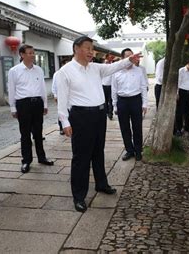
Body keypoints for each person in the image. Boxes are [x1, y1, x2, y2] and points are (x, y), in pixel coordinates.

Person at [56, 36, 141, 213]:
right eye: (87, 48)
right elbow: (62, 100)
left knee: (98, 152)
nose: (91, 52)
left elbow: (114, 66)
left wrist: (129, 60)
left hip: (99, 114)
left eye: (92, 48)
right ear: (76, 49)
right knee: (81, 157)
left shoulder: (96, 68)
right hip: (80, 117)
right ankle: (79, 196)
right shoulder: (65, 72)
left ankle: (101, 184)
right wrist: (64, 122)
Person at [8, 44, 54, 173]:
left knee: (38, 133)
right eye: (30, 53)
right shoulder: (14, 71)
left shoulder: (38, 69)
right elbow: (11, 89)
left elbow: (42, 88)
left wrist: (44, 104)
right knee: (25, 134)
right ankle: (26, 160)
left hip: (37, 103)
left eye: (33, 53)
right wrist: (13, 107)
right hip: (23, 104)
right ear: (22, 55)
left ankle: (42, 157)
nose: (33, 55)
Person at [112, 48, 148, 162]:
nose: (130, 58)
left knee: (137, 126)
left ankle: (138, 150)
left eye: (132, 56)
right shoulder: (116, 72)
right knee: (124, 127)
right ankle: (129, 150)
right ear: (123, 58)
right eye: (128, 56)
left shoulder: (138, 71)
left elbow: (143, 87)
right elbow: (114, 90)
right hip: (122, 101)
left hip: (136, 101)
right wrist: (115, 105)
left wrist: (145, 103)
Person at [175, 57, 189, 136]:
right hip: (182, 92)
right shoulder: (181, 71)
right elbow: (178, 82)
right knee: (180, 111)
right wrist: (177, 93)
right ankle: (178, 128)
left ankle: (187, 127)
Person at [52, 59, 68, 135]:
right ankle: (61, 127)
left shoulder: (71, 73)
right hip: (61, 96)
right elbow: (54, 85)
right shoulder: (57, 74)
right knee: (61, 111)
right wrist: (55, 95)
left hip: (70, 97)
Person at [102, 53, 114, 120]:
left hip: (111, 86)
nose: (110, 59)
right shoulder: (102, 66)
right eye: (108, 58)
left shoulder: (112, 66)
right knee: (105, 101)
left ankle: (110, 113)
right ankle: (106, 112)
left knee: (111, 100)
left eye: (111, 58)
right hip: (103, 85)